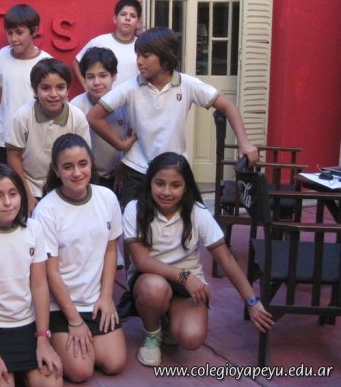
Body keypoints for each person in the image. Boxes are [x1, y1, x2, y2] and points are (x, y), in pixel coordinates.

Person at [123, 152, 274, 367]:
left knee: (191, 338)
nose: (166, 192)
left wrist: (251, 301)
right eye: (160, 183)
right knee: (154, 289)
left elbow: (226, 259)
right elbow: (141, 261)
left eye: (175, 185)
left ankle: (168, 319)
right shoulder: (135, 209)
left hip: (187, 286)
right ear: (149, 183)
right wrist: (184, 277)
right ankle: (152, 332)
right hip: (150, 278)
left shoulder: (197, 212)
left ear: (186, 187)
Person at [87, 27, 259, 207]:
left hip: (175, 169)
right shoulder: (130, 87)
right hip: (137, 169)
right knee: (134, 220)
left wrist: (244, 143)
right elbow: (94, 117)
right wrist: (120, 145)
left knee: (185, 219)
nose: (139, 61)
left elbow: (228, 106)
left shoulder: (187, 84)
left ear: (165, 57)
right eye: (138, 55)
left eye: (145, 56)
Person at [34, 134, 126, 382]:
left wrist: (106, 297)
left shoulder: (107, 198)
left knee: (114, 362)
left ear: (91, 164)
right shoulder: (46, 211)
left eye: (83, 164)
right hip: (61, 306)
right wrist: (74, 319)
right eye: (68, 166)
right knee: (80, 371)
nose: (77, 172)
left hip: (95, 302)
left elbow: (110, 251)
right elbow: (50, 271)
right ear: (56, 170)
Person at [0, 164, 63, 387]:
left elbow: (39, 286)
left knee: (52, 383)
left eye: (13, 194)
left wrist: (43, 338)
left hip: (26, 325)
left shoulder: (34, 229)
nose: (8, 202)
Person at [6, 58, 90, 212]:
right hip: (30, 186)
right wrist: (26, 195)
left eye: (60, 87)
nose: (53, 94)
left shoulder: (77, 118)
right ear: (35, 90)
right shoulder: (23, 116)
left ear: (68, 89)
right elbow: (13, 154)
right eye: (45, 88)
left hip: (65, 186)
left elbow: (84, 158)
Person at [0, 4, 52, 165]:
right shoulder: (2, 56)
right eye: (9, 33)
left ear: (34, 31)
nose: (13, 38)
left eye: (19, 32)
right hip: (3, 140)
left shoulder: (46, 63)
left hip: (33, 140)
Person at [70, 47, 129, 189]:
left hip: (118, 174)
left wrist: (122, 167)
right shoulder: (76, 107)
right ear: (84, 78)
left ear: (114, 76)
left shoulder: (124, 104)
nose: (96, 82)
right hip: (86, 177)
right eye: (90, 77)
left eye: (103, 76)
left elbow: (131, 138)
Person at [72, 0, 142, 89]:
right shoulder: (100, 42)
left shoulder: (142, 45)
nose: (127, 18)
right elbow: (77, 62)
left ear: (138, 22)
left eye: (133, 16)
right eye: (123, 14)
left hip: (132, 96)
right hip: (104, 97)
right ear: (115, 19)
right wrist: (87, 87)